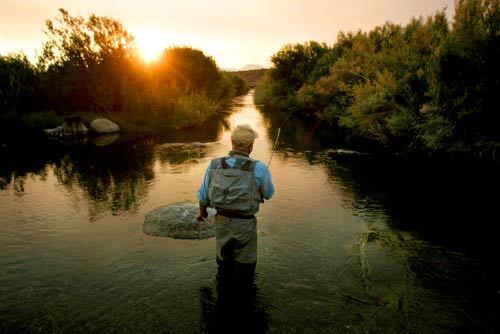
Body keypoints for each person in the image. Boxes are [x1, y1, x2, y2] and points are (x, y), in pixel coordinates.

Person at [196, 124, 274, 276]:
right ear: (251, 147)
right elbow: (269, 194)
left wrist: (202, 212)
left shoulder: (214, 164)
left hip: (222, 222)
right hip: (245, 225)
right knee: (246, 267)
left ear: (232, 142)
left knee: (223, 264)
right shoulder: (259, 168)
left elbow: (203, 195)